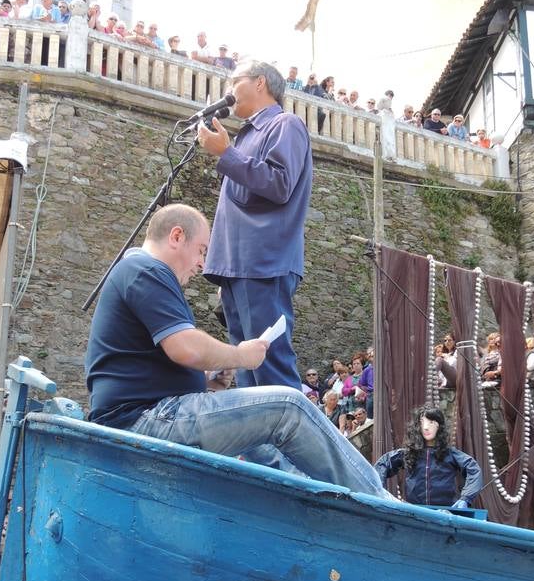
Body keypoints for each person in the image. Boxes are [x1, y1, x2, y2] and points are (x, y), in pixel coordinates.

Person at [85, 203, 386, 498]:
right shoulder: (145, 270)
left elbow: (146, 366)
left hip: (147, 415)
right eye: (201, 250)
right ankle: (378, 500)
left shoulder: (141, 272)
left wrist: (205, 380)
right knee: (288, 406)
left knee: (258, 424)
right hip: (144, 421)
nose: (202, 263)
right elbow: (186, 347)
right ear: (176, 236)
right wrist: (242, 355)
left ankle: (305, 500)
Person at [198, 60, 313, 390]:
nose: (228, 90)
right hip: (239, 266)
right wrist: (225, 270)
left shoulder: (284, 124)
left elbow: (279, 184)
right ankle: (259, 441)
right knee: (246, 369)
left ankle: (287, 442)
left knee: (269, 366)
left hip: (264, 262)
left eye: (235, 81)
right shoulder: (248, 134)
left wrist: (227, 155)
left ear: (260, 82)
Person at [374, 407, 483, 507]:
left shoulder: (450, 454)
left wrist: (466, 498)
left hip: (446, 512)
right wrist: (378, 491)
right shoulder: (409, 453)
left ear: (439, 426)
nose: (426, 427)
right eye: (422, 423)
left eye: (431, 422)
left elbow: (473, 469)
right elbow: (383, 464)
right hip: (414, 511)